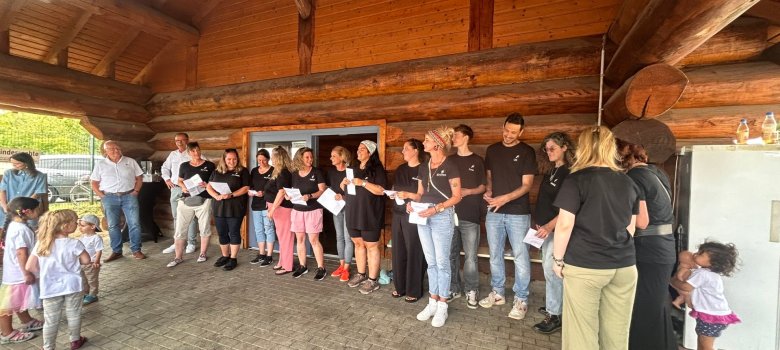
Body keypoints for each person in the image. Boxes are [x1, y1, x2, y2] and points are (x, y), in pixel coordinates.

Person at [552, 126, 640, 350]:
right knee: (617, 334)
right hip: (624, 266)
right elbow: (631, 227)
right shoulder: (627, 182)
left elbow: (564, 225)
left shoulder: (576, 181)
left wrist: (558, 260)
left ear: (583, 148)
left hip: (586, 265)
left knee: (582, 334)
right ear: (610, 147)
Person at [617, 139, 677, 350]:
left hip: (649, 249)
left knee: (645, 305)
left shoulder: (634, 177)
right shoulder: (657, 172)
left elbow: (641, 221)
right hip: (665, 245)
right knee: (658, 303)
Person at [401, 127, 461, 328]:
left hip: (442, 216)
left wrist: (437, 209)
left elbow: (457, 196)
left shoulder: (451, 165)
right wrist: (411, 202)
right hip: (422, 215)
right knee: (431, 262)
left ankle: (443, 305)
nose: (423, 143)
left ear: (437, 144)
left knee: (443, 263)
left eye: (426, 140)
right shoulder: (423, 166)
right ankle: (432, 302)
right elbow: (420, 194)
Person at [479, 113, 536, 320]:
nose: (508, 135)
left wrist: (504, 198)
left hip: (518, 213)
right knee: (495, 254)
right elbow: (490, 177)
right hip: (494, 212)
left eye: (513, 132)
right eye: (506, 130)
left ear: (521, 132)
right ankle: (498, 293)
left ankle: (521, 298)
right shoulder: (492, 150)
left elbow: (527, 185)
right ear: (502, 126)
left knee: (521, 256)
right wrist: (490, 191)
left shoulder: (527, 152)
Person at [25, 209, 91, 350]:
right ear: (65, 226)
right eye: (75, 221)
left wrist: (45, 273)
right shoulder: (74, 243)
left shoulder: (42, 244)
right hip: (72, 285)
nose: (77, 223)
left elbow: (30, 266)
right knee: (74, 314)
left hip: (50, 287)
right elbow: (86, 260)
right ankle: (75, 340)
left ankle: (48, 347)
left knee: (51, 320)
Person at [532, 132, 575, 334]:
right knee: (549, 271)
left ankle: (555, 315)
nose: (548, 152)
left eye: (553, 148)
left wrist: (549, 226)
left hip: (556, 231)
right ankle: (553, 305)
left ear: (565, 148)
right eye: (546, 149)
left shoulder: (569, 173)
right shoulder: (551, 171)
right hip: (544, 229)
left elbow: (568, 209)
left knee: (553, 271)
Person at [670, 241, 740, 350]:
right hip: (714, 315)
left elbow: (685, 287)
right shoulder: (708, 274)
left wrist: (671, 281)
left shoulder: (703, 274)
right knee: (703, 343)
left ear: (713, 263)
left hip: (711, 317)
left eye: (701, 254)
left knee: (706, 346)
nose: (695, 254)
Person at [447, 124, 485, 309]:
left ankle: (472, 289)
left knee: (470, 256)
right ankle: (454, 288)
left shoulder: (477, 161)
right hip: (450, 215)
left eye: (456, 136)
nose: (453, 138)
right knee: (451, 254)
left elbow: (483, 187)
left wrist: (468, 191)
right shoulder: (450, 160)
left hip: (470, 215)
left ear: (466, 138)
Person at [342, 140, 388, 294]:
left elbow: (381, 191)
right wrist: (343, 184)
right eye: (358, 148)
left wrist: (362, 183)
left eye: (362, 149)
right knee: (358, 244)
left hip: (370, 214)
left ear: (370, 152)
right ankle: (361, 274)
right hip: (353, 212)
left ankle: (372, 280)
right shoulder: (353, 168)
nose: (358, 151)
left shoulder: (377, 170)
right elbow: (346, 190)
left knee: (371, 246)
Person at [90, 140, 145, 262]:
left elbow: (139, 178)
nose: (116, 151)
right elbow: (93, 183)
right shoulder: (101, 164)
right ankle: (116, 251)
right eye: (112, 149)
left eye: (117, 148)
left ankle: (136, 250)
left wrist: (136, 191)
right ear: (106, 151)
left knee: (134, 224)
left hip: (129, 196)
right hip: (109, 197)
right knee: (113, 225)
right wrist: (102, 196)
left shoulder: (130, 161)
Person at [389, 139, 427, 303]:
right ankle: (400, 286)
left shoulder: (424, 169)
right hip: (398, 213)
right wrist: (393, 194)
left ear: (416, 150)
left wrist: (411, 201)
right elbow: (395, 189)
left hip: (415, 215)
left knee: (414, 251)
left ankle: (414, 290)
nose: (402, 151)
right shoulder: (400, 169)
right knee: (398, 251)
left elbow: (424, 194)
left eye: (406, 148)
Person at [0, 197, 43, 345]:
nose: (40, 211)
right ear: (27, 211)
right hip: (18, 274)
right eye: (37, 208)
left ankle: (27, 321)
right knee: (7, 305)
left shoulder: (16, 225)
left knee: (17, 300)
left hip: (15, 272)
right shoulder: (20, 229)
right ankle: (7, 333)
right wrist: (27, 272)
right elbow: (21, 253)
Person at [167, 142, 216, 267]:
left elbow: (214, 181)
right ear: (189, 153)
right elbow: (180, 180)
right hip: (186, 200)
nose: (196, 153)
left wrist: (207, 185)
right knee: (180, 229)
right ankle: (178, 257)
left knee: (204, 228)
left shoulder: (209, 165)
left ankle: (202, 254)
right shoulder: (184, 165)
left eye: (198, 150)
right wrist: (183, 188)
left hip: (204, 200)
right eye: (193, 151)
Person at [207, 148, 249, 271]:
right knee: (222, 233)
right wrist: (216, 196)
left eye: (234, 159)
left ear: (238, 159)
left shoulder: (242, 171)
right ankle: (225, 256)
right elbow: (209, 186)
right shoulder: (217, 171)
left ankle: (233, 258)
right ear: (224, 159)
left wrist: (231, 195)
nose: (232, 161)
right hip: (219, 207)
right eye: (229, 159)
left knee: (234, 233)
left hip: (235, 207)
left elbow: (246, 188)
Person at [289, 147, 327, 280]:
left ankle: (321, 268)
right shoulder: (294, 173)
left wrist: (310, 195)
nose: (310, 159)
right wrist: (289, 196)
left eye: (311, 157)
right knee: (299, 239)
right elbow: (292, 190)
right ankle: (302, 266)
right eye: (307, 157)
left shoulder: (317, 172)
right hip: (297, 210)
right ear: (300, 158)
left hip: (313, 210)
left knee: (313, 240)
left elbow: (322, 190)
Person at [161, 133, 198, 255]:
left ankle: (191, 243)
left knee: (191, 217)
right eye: (177, 140)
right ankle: (177, 242)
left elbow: (202, 167)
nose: (179, 142)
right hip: (176, 189)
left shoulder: (193, 152)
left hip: (189, 189)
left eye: (182, 140)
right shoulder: (173, 154)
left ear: (187, 140)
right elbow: (164, 168)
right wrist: (167, 179)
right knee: (177, 217)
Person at [266, 147, 296, 275]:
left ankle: (288, 265)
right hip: (278, 208)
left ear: (279, 157)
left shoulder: (283, 172)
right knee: (282, 237)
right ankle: (282, 262)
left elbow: (282, 191)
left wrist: (272, 209)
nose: (271, 158)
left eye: (273, 156)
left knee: (286, 238)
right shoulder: (278, 171)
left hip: (282, 208)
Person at [0, 152, 47, 229]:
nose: (14, 166)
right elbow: (2, 191)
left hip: (28, 209)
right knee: (4, 228)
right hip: (8, 207)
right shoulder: (8, 173)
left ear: (27, 163)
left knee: (29, 229)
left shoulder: (40, 176)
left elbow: (38, 193)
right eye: (13, 163)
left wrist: (23, 209)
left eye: (17, 163)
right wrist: (5, 207)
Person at [327, 146, 353, 281]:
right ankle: (341, 265)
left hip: (348, 207)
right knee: (339, 237)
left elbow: (355, 193)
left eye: (333, 156)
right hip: (336, 208)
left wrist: (343, 197)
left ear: (341, 157)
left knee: (348, 238)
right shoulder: (331, 173)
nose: (331, 158)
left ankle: (347, 269)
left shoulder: (350, 172)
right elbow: (330, 189)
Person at [249, 149, 276, 266]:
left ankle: (269, 255)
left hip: (267, 204)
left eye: (264, 160)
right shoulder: (254, 171)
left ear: (268, 159)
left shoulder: (273, 171)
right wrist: (251, 192)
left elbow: (276, 189)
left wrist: (264, 193)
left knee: (268, 229)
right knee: (258, 230)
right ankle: (261, 254)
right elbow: (250, 186)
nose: (261, 162)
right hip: (256, 204)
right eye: (259, 160)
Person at [77, 214, 103, 305]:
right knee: (83, 280)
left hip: (92, 263)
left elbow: (99, 250)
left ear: (92, 226)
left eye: (83, 226)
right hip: (82, 264)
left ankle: (93, 295)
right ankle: (85, 293)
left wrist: (97, 261)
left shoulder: (96, 238)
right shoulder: (82, 238)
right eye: (79, 225)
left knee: (92, 280)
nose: (80, 227)